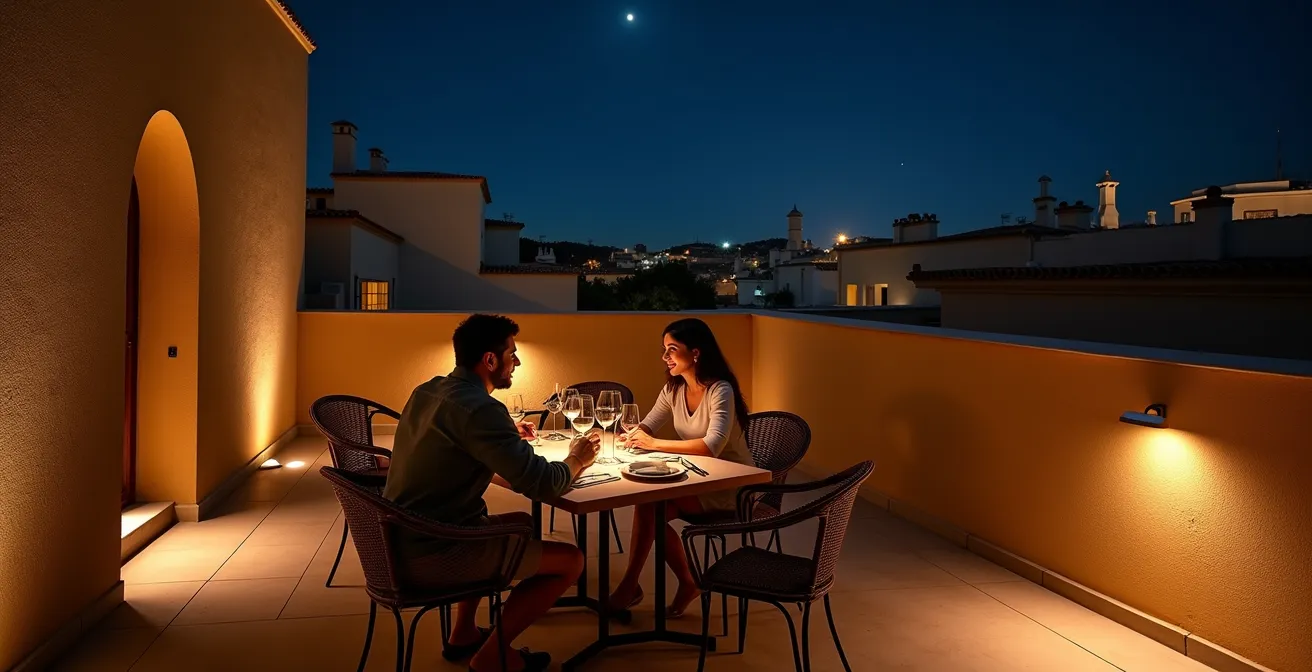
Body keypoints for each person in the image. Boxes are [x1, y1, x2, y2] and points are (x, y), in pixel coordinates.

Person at [384, 314, 601, 672]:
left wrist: (504, 433)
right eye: (512, 354)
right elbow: (543, 483)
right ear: (490, 360)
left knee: (513, 522)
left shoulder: (429, 390)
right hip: (436, 553)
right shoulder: (482, 409)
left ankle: (464, 634)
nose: (516, 362)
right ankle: (493, 656)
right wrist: (576, 459)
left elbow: (453, 442)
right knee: (571, 561)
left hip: (399, 539)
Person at [611, 317, 754, 616]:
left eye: (672, 349)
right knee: (649, 505)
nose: (665, 357)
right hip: (696, 477)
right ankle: (674, 582)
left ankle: (634, 585)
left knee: (651, 505)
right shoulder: (674, 389)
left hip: (729, 484)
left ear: (696, 353)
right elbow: (648, 425)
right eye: (664, 349)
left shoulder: (720, 390)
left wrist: (652, 444)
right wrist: (631, 435)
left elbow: (710, 446)